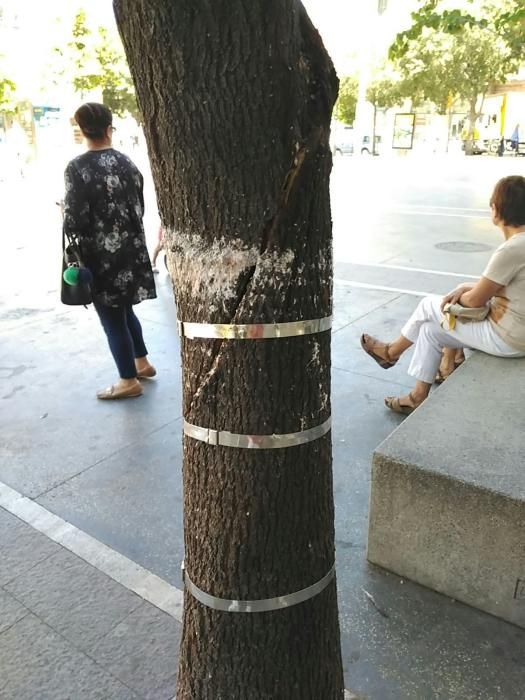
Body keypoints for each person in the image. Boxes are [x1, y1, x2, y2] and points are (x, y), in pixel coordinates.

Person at [361, 175, 525, 415]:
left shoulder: (511, 249)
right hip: (516, 331)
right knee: (429, 331)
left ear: (497, 209)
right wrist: (464, 287)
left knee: (428, 305)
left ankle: (391, 352)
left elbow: (476, 300)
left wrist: (460, 296)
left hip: (509, 338)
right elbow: (501, 285)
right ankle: (417, 396)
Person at [63, 102, 157, 400]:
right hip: (132, 249)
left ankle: (128, 380)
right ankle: (141, 362)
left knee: (111, 318)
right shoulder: (127, 162)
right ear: (109, 128)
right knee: (125, 308)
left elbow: (75, 220)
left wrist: (64, 212)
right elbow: (139, 207)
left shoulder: (77, 168)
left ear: (81, 129)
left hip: (101, 257)